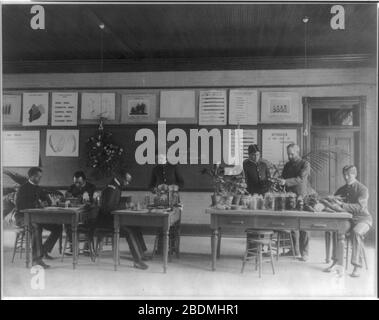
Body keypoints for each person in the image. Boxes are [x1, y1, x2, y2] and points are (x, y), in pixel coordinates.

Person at [94, 169, 149, 270]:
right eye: (126, 180)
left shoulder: (116, 185)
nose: (127, 183)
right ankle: (137, 261)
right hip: (106, 222)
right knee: (128, 232)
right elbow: (108, 208)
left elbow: (113, 204)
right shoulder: (112, 188)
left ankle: (141, 254)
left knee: (135, 226)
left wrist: (125, 205)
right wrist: (126, 205)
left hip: (112, 219)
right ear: (120, 178)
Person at [323, 165, 372, 277]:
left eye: (348, 175)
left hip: (363, 219)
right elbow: (334, 201)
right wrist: (329, 200)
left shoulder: (363, 189)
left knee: (356, 232)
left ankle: (356, 266)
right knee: (337, 229)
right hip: (348, 219)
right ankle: (336, 262)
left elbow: (360, 207)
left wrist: (342, 205)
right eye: (344, 175)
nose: (346, 177)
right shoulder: (342, 189)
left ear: (355, 174)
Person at [15, 167, 62, 269]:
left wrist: (46, 202)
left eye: (40, 177)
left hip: (37, 217)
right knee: (36, 227)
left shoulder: (38, 188)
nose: (39, 179)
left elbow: (48, 201)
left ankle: (43, 250)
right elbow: (20, 207)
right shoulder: (22, 189)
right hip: (22, 217)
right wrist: (36, 205)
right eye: (37, 177)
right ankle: (37, 260)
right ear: (31, 176)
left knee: (58, 227)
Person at [278, 143, 314, 261]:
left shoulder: (305, 164)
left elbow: (300, 179)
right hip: (289, 197)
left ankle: (305, 253)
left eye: (292, 154)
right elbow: (283, 178)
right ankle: (294, 250)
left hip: (302, 197)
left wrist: (285, 181)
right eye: (288, 154)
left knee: (304, 225)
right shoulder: (287, 165)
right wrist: (280, 183)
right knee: (292, 224)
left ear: (297, 152)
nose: (290, 156)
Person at [64, 171, 97, 255]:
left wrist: (90, 198)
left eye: (79, 182)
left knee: (92, 221)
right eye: (75, 182)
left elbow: (94, 202)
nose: (77, 184)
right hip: (74, 212)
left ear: (84, 180)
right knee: (67, 222)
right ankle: (72, 247)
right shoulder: (72, 187)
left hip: (87, 212)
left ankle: (87, 246)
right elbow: (66, 197)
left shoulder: (91, 187)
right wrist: (67, 198)